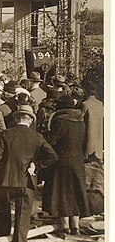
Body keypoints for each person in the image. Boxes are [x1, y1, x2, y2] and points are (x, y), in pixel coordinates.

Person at [0, 105, 59, 242]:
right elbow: (53, 156)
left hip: (5, 180)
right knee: (22, 215)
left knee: (3, 212)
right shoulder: (37, 137)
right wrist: (36, 165)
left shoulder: (6, 134)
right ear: (30, 120)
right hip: (25, 181)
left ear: (16, 119)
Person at [43, 96, 90, 234]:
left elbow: (52, 142)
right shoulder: (81, 120)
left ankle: (64, 226)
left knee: (62, 192)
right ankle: (75, 225)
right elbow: (83, 141)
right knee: (75, 191)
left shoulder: (60, 120)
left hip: (62, 160)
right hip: (78, 160)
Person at [81, 82, 104, 164]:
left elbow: (80, 119)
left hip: (89, 135)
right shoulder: (100, 104)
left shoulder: (85, 104)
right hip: (99, 136)